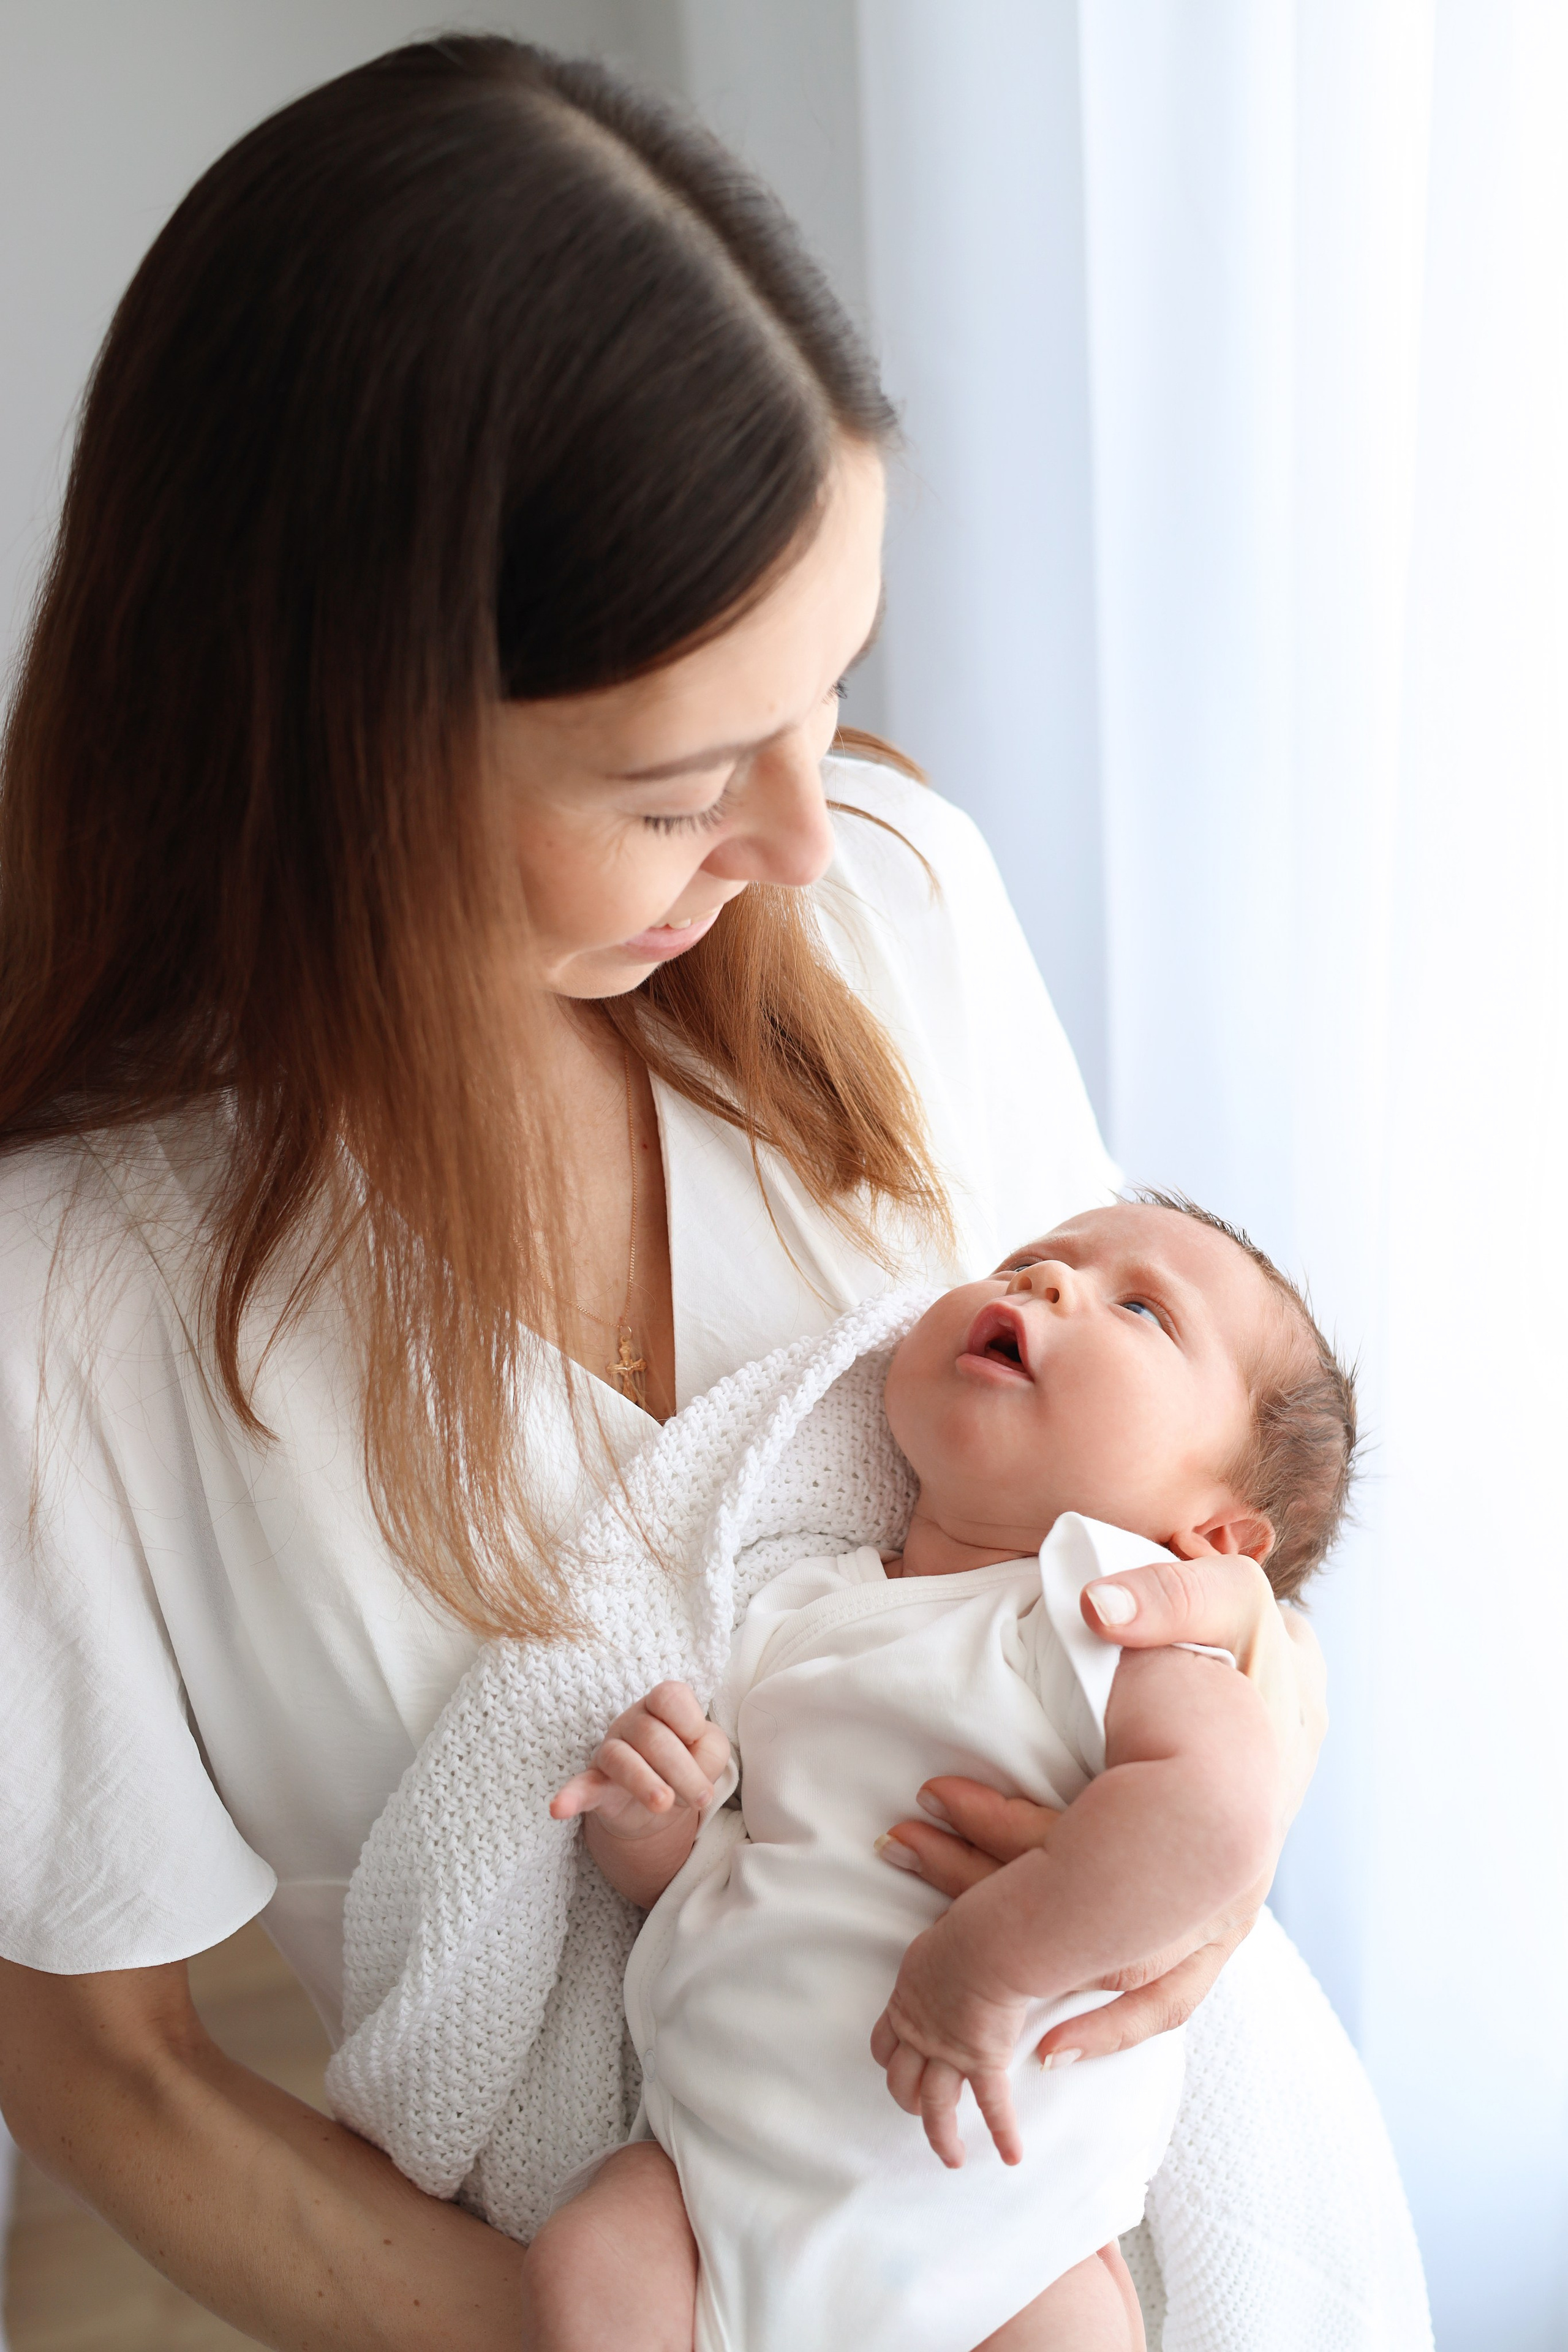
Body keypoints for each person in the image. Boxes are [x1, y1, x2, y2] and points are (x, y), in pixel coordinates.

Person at [0, 37, 1325, 2350]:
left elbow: (1193, 1501)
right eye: (682, 775)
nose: (811, 838)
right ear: (336, 735)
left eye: (834, 697)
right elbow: (94, 2065)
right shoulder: (74, 1305)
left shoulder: (894, 899)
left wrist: (1235, 1812)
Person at [527, 1199, 1355, 2351]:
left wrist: (993, 1961)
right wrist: (654, 1820)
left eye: (1140, 1308)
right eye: (1030, 1263)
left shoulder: (1111, 1606)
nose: (1051, 1283)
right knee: (589, 2252)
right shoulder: (800, 1607)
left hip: (1004, 2242)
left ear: (1214, 1540)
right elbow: (717, 1878)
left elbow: (1219, 1816)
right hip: (712, 2184)